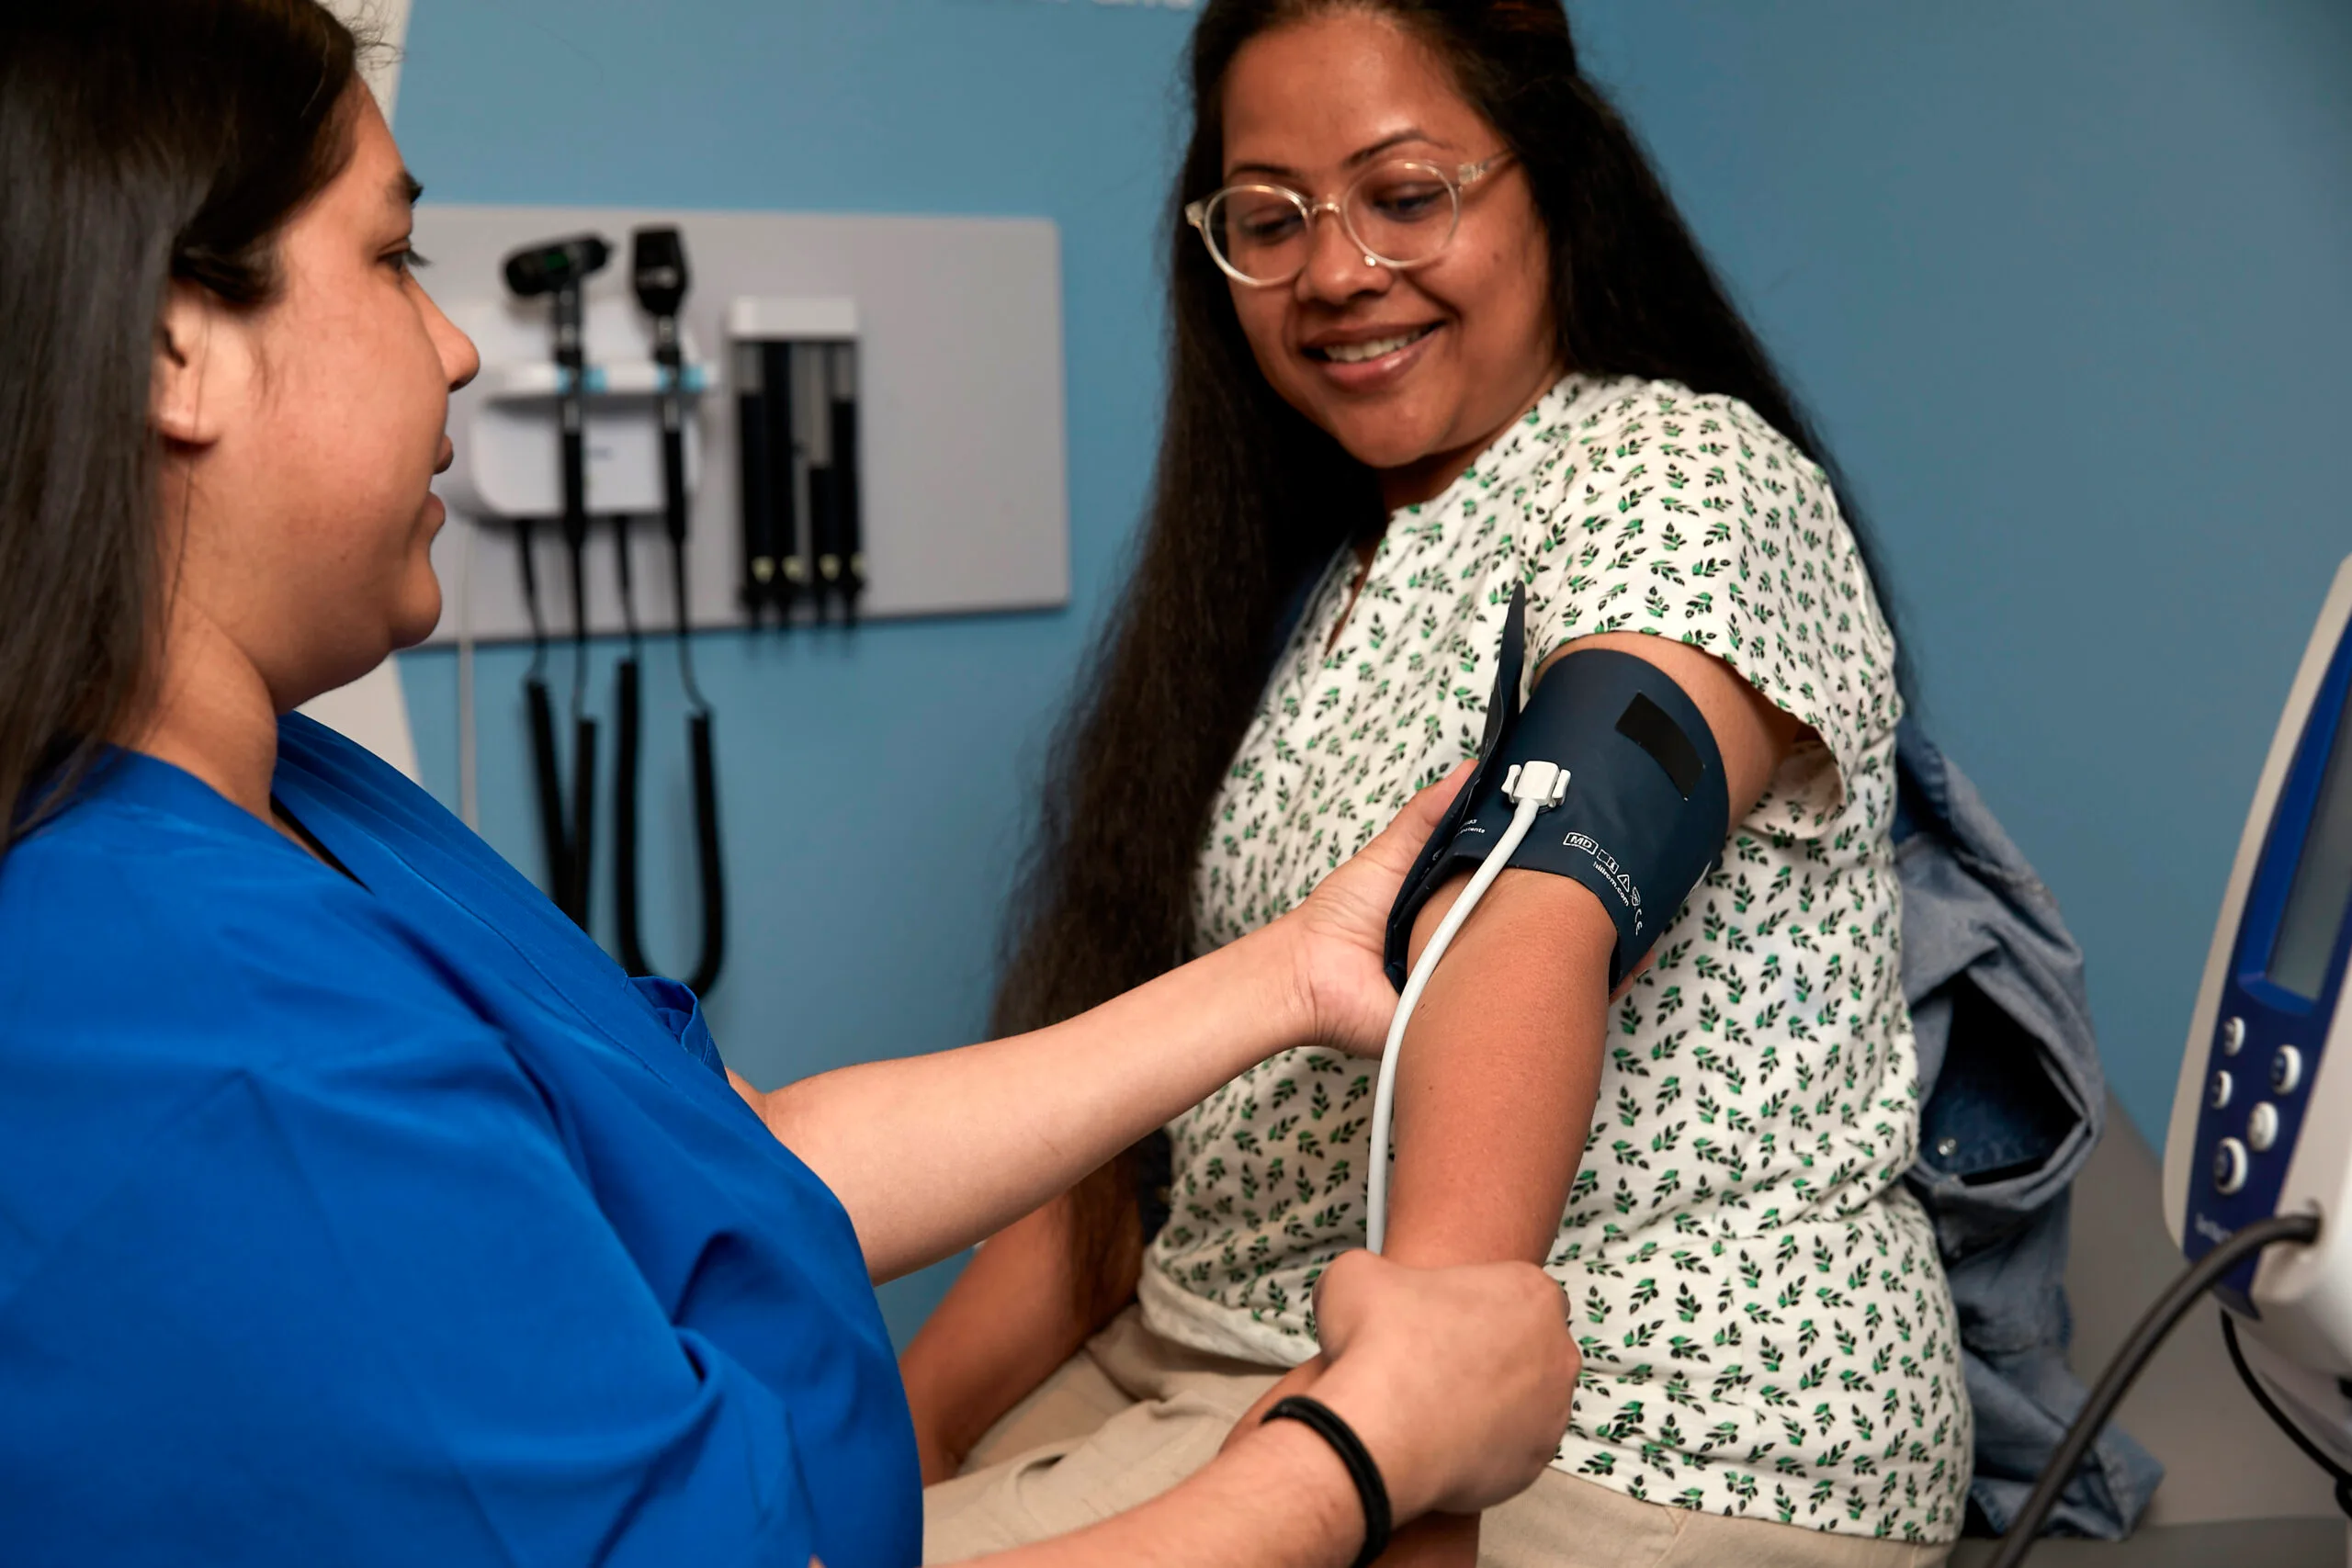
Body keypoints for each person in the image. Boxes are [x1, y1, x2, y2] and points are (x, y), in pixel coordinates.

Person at [0, 4, 1586, 1565]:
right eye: (393, 257)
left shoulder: (295, 803)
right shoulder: (215, 1027)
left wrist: (1288, 974)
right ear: (170, 347)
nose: (459, 342)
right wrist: (1358, 1458)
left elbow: (735, 1166)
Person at [907, 3, 1969, 1565]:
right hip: (1223, 1351)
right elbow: (1176, 1136)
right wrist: (897, 1419)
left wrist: (1409, 1467)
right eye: (1270, 221)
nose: (1336, 271)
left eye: (1406, 195)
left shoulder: (1676, 479)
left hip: (1629, 1424)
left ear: (1553, 183)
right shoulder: (1310, 587)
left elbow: (1544, 903)